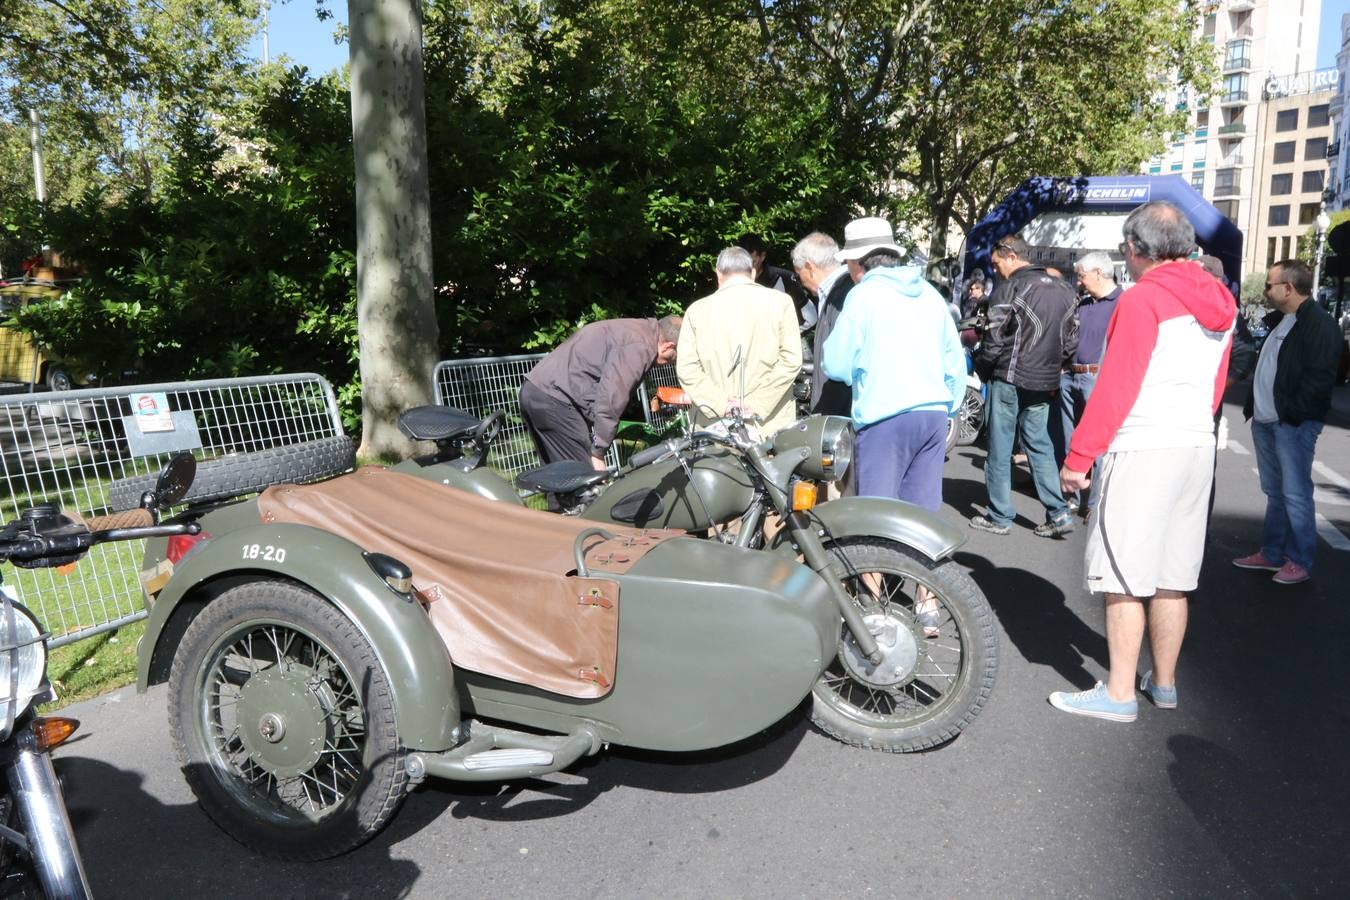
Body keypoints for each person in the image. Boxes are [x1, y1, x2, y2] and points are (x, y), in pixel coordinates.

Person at [1048, 201, 1234, 722]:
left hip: (1144, 445)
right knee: (1174, 575)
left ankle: (1120, 693)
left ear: (1136, 249)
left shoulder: (1143, 298)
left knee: (1123, 573)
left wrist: (1079, 455)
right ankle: (1165, 683)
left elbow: (1117, 385)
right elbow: (1219, 381)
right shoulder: (1220, 297)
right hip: (1196, 441)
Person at [820, 218, 965, 511]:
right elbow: (955, 361)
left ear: (858, 263)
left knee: (877, 516)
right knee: (921, 516)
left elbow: (835, 364)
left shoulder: (862, 296)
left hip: (884, 417)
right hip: (934, 414)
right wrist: (949, 407)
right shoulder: (929, 293)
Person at [1232, 258, 1342, 585]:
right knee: (1275, 492)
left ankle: (1299, 559)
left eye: (1269, 284)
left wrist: (1291, 416)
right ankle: (1273, 552)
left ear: (1288, 287)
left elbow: (1319, 379)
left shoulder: (1318, 325)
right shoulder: (1284, 320)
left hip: (1291, 423)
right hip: (1268, 422)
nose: (1266, 290)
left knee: (1294, 493)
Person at [969, 234, 1078, 538]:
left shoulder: (1012, 287)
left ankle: (999, 516)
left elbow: (994, 336)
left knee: (1000, 448)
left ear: (1011, 256)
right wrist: (1055, 369)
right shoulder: (1065, 290)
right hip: (1045, 380)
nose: (995, 270)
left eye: (996, 263)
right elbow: (1071, 342)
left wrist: (983, 366)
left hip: (1009, 377)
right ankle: (1058, 513)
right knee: (1040, 444)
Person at [520, 316, 681, 469]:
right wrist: (598, 452)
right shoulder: (641, 345)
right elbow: (612, 397)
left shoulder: (635, 330)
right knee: (583, 483)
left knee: (558, 480)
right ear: (668, 346)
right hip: (557, 399)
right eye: (671, 359)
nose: (667, 364)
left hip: (534, 390)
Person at [677, 247, 803, 432]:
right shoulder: (781, 303)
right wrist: (756, 403)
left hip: (715, 427)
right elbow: (791, 360)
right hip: (770, 424)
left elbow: (687, 369)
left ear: (718, 273)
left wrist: (721, 405)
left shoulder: (696, 311)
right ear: (752, 272)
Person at [1052, 251, 1121, 519]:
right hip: (1070, 375)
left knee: (1099, 444)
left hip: (1097, 377)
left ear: (1099, 273)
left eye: (1082, 276)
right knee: (1071, 440)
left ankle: (1094, 503)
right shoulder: (1082, 302)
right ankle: (1072, 496)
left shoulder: (1122, 302)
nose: (1079, 282)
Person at [791, 231, 853, 417]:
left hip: (841, 413)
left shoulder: (844, 294)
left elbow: (840, 363)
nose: (800, 281)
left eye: (798, 274)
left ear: (809, 266)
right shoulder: (837, 290)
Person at [737, 233, 813, 330]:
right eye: (742, 263)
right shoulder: (734, 284)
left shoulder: (784, 278)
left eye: (752, 262)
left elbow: (811, 318)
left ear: (762, 256)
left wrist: (786, 339)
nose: (747, 267)